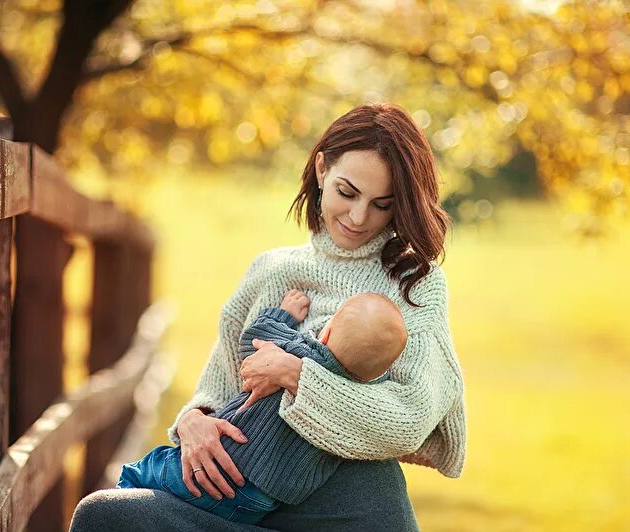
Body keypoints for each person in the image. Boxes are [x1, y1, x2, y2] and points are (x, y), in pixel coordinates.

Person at [70, 102, 466, 532]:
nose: (358, 217)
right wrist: (193, 422)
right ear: (320, 171)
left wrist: (297, 375)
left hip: (349, 509)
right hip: (238, 492)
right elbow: (220, 383)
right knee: (102, 515)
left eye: (381, 205)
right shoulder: (271, 271)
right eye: (347, 193)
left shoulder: (413, 283)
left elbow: (409, 420)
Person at [114, 289, 408, 524]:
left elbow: (253, 339)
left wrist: (283, 315)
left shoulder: (298, 351)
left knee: (134, 480)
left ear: (326, 334)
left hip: (218, 466)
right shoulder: (355, 402)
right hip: (261, 501)